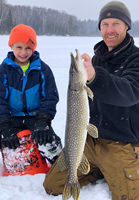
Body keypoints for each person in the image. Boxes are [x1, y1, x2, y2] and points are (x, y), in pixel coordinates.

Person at [43, 1, 139, 199]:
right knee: (53, 185)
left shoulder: (135, 59)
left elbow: (129, 92)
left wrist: (96, 77)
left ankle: (115, 166)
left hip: (120, 143)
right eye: (105, 24)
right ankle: (98, 169)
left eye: (116, 24)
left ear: (127, 26)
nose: (109, 30)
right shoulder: (96, 60)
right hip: (90, 141)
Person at [0, 24, 62, 165]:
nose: (24, 52)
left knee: (50, 143)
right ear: (11, 46)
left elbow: (50, 98)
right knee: (6, 139)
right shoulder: (3, 70)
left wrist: (43, 121)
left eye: (28, 47)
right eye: (19, 47)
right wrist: (4, 127)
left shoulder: (42, 69)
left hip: (36, 119)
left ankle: (60, 168)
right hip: (10, 119)